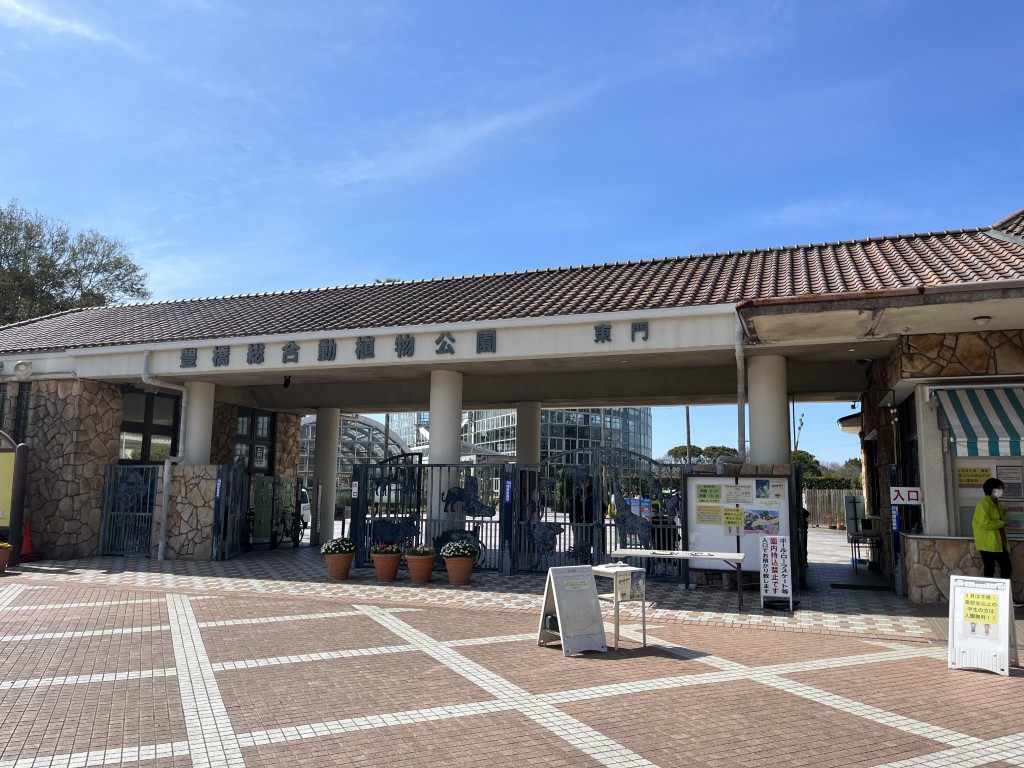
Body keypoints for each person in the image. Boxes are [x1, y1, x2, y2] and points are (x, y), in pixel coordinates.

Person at [972, 478, 1023, 608]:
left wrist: (1001, 524)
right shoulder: (983, 503)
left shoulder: (997, 503)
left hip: (998, 542)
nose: (1001, 490)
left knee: (1006, 568)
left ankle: (1004, 597)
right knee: (991, 570)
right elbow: (985, 522)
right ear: (992, 489)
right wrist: (1002, 523)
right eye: (999, 488)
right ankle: (988, 600)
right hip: (987, 543)